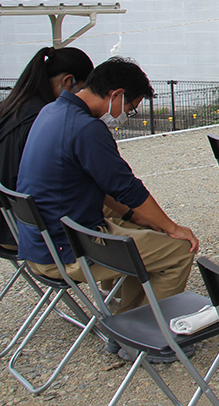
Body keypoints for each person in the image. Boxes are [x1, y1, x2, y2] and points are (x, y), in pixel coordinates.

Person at [16, 57, 198, 315]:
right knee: (177, 251)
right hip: (66, 250)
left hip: (40, 240)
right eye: (130, 109)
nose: (125, 116)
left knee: (143, 230)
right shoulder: (86, 128)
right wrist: (172, 227)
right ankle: (149, 335)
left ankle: (127, 317)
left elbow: (102, 184)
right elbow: (127, 188)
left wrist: (134, 216)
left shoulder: (51, 111)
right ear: (116, 95)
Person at [0, 47, 94, 247]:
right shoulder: (43, 117)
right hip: (27, 233)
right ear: (68, 81)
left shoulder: (12, 106)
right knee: (105, 217)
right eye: (84, 89)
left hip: (8, 219)